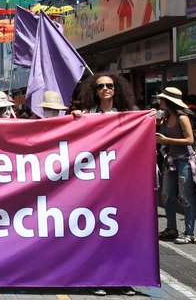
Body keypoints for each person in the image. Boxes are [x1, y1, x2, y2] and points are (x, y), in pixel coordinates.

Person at [73, 74, 136, 297]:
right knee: (98, 233)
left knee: (122, 232)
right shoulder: (89, 115)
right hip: (97, 183)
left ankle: (124, 279)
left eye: (110, 85)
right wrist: (77, 118)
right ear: (95, 91)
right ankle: (98, 278)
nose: (106, 89)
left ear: (116, 89)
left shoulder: (128, 116)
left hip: (123, 183)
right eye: (101, 86)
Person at [156, 87, 196, 245]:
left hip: (184, 160)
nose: (159, 101)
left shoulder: (182, 117)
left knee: (185, 197)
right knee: (166, 195)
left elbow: (190, 140)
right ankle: (171, 228)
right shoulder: (168, 116)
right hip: (171, 160)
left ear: (168, 101)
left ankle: (190, 233)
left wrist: (166, 140)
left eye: (161, 99)